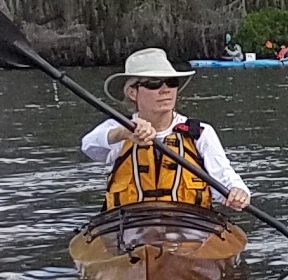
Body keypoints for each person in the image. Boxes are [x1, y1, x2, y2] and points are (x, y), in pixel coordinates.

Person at [81, 48, 252, 211]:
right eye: (154, 83)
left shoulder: (199, 133)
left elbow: (225, 177)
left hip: (189, 229)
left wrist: (238, 192)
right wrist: (125, 133)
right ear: (133, 93)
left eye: (171, 82)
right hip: (130, 230)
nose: (165, 90)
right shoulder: (118, 128)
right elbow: (89, 146)